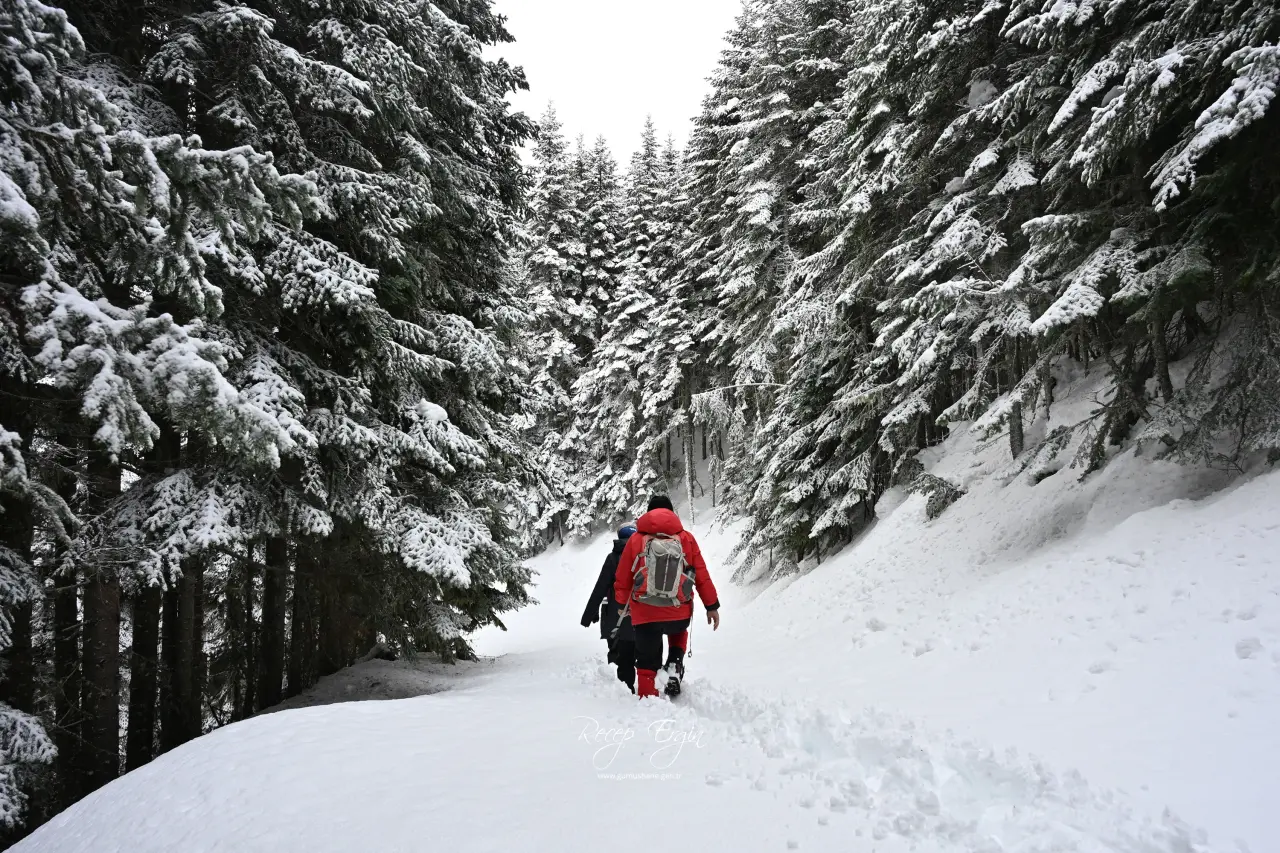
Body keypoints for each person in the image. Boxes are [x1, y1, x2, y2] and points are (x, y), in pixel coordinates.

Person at [614, 495, 720, 699]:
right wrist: (711, 606)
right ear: (672, 513)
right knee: (678, 630)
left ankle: (648, 700)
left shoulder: (636, 540)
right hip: (678, 611)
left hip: (645, 612)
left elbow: (623, 577)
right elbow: (701, 574)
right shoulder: (686, 538)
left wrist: (621, 604)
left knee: (646, 658)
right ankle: (674, 663)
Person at [581, 524, 638, 692]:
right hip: (641, 616)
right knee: (638, 651)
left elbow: (601, 587)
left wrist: (589, 614)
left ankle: (623, 691)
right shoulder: (644, 557)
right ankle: (645, 691)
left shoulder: (613, 558)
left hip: (616, 614)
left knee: (620, 653)